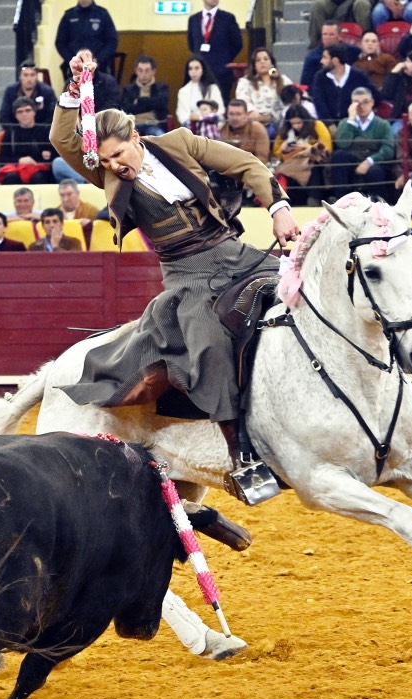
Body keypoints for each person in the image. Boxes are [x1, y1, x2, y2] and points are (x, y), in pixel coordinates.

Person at [49, 50, 302, 501]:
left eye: (118, 154)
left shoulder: (180, 143)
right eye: (104, 161)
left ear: (134, 137)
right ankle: (241, 454)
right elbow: (63, 139)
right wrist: (74, 89)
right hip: (188, 276)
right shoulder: (110, 177)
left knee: (303, 294)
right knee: (209, 343)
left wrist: (279, 209)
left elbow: (248, 165)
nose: (113, 166)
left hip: (236, 252)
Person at [330, 86, 395, 200]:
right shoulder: (346, 123)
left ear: (372, 103)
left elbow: (388, 149)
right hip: (352, 160)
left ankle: (378, 204)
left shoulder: (382, 124)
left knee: (375, 172)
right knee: (338, 156)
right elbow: (342, 144)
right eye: (356, 103)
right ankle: (341, 200)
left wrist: (369, 161)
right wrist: (351, 120)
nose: (361, 106)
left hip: (373, 161)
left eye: (365, 102)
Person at [310, 43, 376, 134]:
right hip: (327, 128)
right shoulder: (320, 77)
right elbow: (319, 103)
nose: (321, 61)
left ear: (335, 60)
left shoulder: (359, 76)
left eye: (325, 58)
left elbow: (375, 97)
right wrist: (330, 124)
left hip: (355, 127)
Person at [187, 0, 243, 107]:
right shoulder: (193, 19)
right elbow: (191, 44)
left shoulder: (228, 18)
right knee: (199, 104)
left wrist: (225, 59)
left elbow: (237, 43)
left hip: (222, 72)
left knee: (221, 105)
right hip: (200, 72)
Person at [272, 105, 331, 205]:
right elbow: (276, 153)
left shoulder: (317, 125)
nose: (296, 126)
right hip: (293, 163)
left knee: (313, 166)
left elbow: (326, 147)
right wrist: (283, 149)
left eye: (299, 122)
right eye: (293, 123)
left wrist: (306, 147)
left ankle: (314, 197)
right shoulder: (285, 131)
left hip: (313, 161)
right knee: (285, 172)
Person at [235, 47, 292, 138]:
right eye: (258, 60)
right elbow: (243, 101)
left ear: (272, 63)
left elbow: (292, 99)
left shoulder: (283, 80)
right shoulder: (245, 82)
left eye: (266, 59)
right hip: (255, 122)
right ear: (254, 65)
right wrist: (254, 113)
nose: (262, 62)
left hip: (280, 123)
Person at [54, 0, 117, 81]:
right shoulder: (69, 16)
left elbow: (112, 41)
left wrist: (98, 60)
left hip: (99, 68)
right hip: (75, 69)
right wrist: (73, 60)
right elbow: (60, 42)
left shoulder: (103, 14)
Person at [0, 96, 53, 184]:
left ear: (34, 112)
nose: (24, 114)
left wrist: (46, 156)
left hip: (39, 169)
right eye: (20, 112)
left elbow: (55, 157)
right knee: (11, 177)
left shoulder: (45, 131)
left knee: (39, 177)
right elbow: (2, 159)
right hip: (17, 169)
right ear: (15, 115)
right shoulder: (10, 133)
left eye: (28, 110)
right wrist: (19, 160)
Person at [0, 58, 55, 133]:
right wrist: (16, 131)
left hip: (42, 134)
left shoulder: (47, 92)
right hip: (16, 133)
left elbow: (53, 117)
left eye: (32, 75)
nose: (29, 79)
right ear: (20, 77)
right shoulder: (10, 91)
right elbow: (4, 117)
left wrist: (40, 131)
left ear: (36, 76)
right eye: (25, 75)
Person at [121, 54, 169, 137]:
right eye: (140, 70)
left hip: (154, 124)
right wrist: (151, 104)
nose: (143, 74)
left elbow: (162, 105)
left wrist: (140, 101)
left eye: (147, 71)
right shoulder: (128, 89)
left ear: (153, 71)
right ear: (136, 71)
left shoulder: (162, 88)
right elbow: (125, 109)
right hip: (133, 125)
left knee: (160, 136)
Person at [175, 54, 224, 129]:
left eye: (197, 68)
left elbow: (220, 110)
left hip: (212, 126)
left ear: (203, 69)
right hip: (192, 127)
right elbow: (182, 115)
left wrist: (204, 118)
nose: (193, 72)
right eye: (190, 69)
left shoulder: (213, 88)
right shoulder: (183, 91)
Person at [219, 98, 270, 164]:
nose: (234, 118)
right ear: (227, 115)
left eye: (238, 114)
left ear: (246, 115)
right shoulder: (222, 128)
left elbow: (263, 158)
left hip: (252, 168)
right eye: (231, 114)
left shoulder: (257, 128)